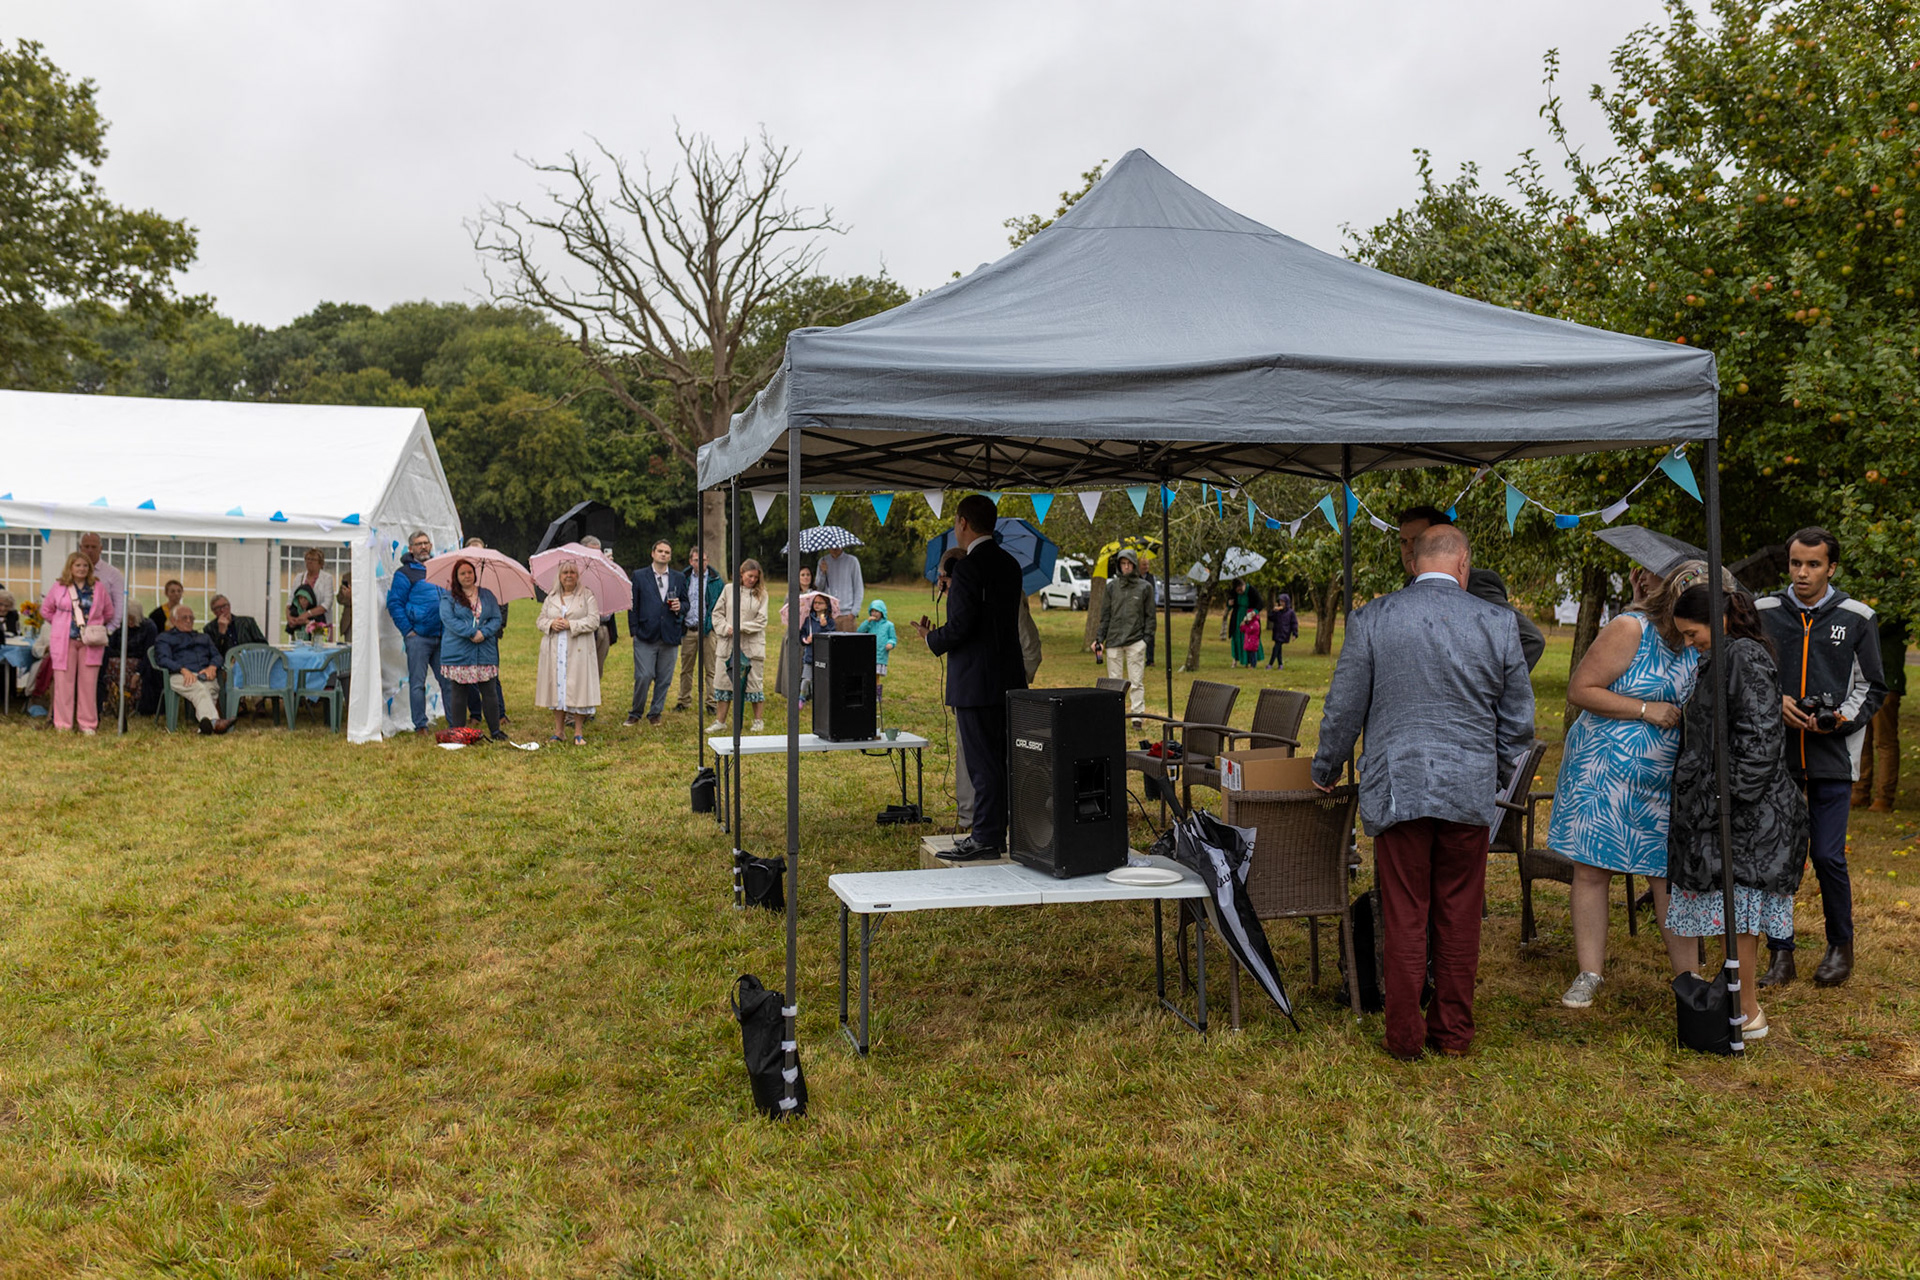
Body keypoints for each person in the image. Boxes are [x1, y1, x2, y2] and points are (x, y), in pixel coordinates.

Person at [1311, 525, 1534, 1060]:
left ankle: (1404, 1037)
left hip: (1398, 784)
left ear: (1416, 563)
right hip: (1468, 788)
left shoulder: (1372, 618)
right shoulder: (1499, 624)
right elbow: (1518, 723)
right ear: (1463, 565)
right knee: (1459, 911)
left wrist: (1326, 766)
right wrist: (1496, 771)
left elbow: (1344, 706)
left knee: (1404, 909)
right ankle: (1453, 1033)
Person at [1547, 559, 1704, 1009]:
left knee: (1667, 876)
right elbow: (1581, 689)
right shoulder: (1630, 627)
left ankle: (1689, 981)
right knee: (1593, 870)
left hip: (1665, 778)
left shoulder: (1698, 641)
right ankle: (1589, 972)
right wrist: (1644, 709)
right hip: (1605, 772)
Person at [1666, 583, 1809, 1041]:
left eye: (1692, 633)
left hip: (1750, 814)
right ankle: (1739, 1006)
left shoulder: (1743, 656)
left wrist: (1719, 804)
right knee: (1734, 913)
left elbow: (1761, 742)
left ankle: (1746, 1012)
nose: (1690, 644)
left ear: (1718, 618)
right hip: (1731, 807)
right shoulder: (1724, 657)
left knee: (1739, 915)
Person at [1753, 526, 1886, 988]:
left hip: (1832, 756)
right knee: (1778, 857)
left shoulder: (1857, 616)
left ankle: (1839, 947)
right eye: (1796, 563)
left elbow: (1874, 686)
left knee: (1828, 856)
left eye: (1813, 564)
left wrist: (1840, 718)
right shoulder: (1764, 611)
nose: (1803, 572)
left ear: (1832, 567)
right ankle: (1780, 953)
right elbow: (1750, 671)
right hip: (1776, 758)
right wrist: (1778, 701)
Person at [911, 494, 1029, 860]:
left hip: (976, 682)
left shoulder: (968, 568)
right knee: (1002, 759)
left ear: (963, 523)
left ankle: (986, 837)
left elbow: (962, 627)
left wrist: (931, 637)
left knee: (982, 764)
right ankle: (1002, 831)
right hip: (1007, 675)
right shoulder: (1010, 564)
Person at [1396, 505, 1547, 671]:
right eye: (1404, 542)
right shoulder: (1409, 585)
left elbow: (1529, 639)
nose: (1409, 549)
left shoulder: (1475, 584)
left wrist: (1485, 684)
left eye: (1418, 540)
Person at [41, 550, 118, 734]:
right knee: (63, 684)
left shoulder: (98, 587)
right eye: (78, 565)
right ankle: (63, 724)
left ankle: (88, 724)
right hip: (65, 641)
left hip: (90, 642)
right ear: (70, 567)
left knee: (88, 684)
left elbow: (109, 612)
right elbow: (46, 610)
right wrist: (61, 623)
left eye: (85, 566)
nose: (82, 569)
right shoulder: (59, 586)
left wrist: (93, 625)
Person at [385, 530, 451, 734]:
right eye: (418, 543)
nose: (423, 547)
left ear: (431, 546)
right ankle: (420, 724)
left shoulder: (439, 569)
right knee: (417, 683)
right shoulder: (404, 573)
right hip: (419, 637)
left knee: (448, 681)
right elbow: (395, 603)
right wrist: (408, 630)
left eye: (426, 543)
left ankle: (454, 721)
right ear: (411, 548)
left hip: (442, 635)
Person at [437, 558, 507, 741]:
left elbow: (496, 618)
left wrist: (483, 633)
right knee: (459, 693)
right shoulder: (448, 597)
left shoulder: (487, 595)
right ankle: (458, 733)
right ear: (456, 577)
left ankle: (496, 731)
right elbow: (449, 620)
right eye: (462, 573)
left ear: (475, 574)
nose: (467, 576)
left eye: (470, 572)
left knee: (489, 692)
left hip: (484, 651)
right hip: (458, 651)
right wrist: (471, 632)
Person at [536, 560, 602, 744]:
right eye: (565, 573)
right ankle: (559, 731)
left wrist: (570, 624)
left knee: (578, 687)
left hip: (578, 648)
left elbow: (594, 620)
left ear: (578, 575)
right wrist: (551, 624)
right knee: (557, 688)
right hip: (555, 649)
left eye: (572, 572)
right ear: (559, 576)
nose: (569, 576)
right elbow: (540, 620)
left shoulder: (587, 595)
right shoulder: (551, 597)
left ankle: (578, 732)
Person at [626, 538, 688, 727]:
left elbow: (686, 603)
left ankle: (655, 713)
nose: (663, 554)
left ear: (670, 556)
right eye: (660, 551)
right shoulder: (639, 575)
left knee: (664, 678)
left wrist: (680, 607)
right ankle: (636, 712)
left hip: (670, 634)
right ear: (653, 553)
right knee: (643, 676)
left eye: (667, 552)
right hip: (645, 634)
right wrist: (634, 630)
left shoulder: (679, 578)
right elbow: (632, 604)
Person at [708, 559, 769, 734]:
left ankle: (758, 720)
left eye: (756, 578)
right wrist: (724, 628)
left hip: (752, 645)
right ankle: (720, 721)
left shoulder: (762, 594)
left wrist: (741, 627)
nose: (752, 580)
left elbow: (762, 620)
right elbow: (717, 613)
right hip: (727, 644)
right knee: (723, 682)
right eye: (750, 576)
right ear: (741, 574)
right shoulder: (728, 590)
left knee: (754, 683)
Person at [155, 604, 235, 734]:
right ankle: (216, 722)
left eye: (191, 618)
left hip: (204, 674)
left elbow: (217, 656)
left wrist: (212, 667)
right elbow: (162, 659)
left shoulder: (203, 637)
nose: (188, 621)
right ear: (174, 620)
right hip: (180, 675)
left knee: (210, 688)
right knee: (201, 689)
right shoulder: (165, 638)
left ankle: (205, 728)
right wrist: (182, 669)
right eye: (184, 618)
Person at [1093, 547, 1153, 723]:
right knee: (1114, 683)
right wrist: (1099, 639)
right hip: (1113, 640)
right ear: (1119, 565)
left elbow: (1151, 616)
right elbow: (1105, 615)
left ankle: (1137, 716)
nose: (1126, 567)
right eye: (1123, 563)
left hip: (1136, 640)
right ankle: (1114, 715)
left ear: (1134, 565)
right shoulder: (1111, 587)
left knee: (1136, 681)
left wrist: (1145, 640)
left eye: (1129, 563)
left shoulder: (1145, 588)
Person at [1853, 616, 1906, 813]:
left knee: (1885, 741)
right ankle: (1860, 790)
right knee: (1863, 738)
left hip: (1886, 683)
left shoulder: (1892, 612)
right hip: (1863, 683)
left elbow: (1871, 624)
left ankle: (1884, 797)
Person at [773, 565, 834, 707]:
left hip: (811, 631)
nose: (806, 577)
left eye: (808, 574)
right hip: (795, 632)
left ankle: (809, 693)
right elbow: (786, 613)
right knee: (794, 662)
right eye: (802, 575)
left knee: (809, 663)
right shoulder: (791, 594)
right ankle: (793, 692)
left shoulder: (815, 595)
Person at [674, 550, 722, 717]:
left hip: (707, 630)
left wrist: (712, 625)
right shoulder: (683, 578)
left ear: (707, 560)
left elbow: (719, 605)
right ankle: (683, 700)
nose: (700, 563)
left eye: (702, 560)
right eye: (696, 560)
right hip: (689, 629)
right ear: (690, 561)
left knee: (711, 668)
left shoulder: (715, 580)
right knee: (686, 668)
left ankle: (712, 702)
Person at [580, 536, 617, 676]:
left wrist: (610, 570)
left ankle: (594, 697)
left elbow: (614, 596)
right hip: (586, 628)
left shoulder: (605, 571)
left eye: (598, 552)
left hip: (604, 627)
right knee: (583, 671)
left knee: (597, 671)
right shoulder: (576, 572)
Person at [815, 544, 866, 632]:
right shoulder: (823, 561)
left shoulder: (852, 561)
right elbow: (818, 588)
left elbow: (858, 588)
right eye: (832, 545)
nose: (834, 548)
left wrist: (853, 613)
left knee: (847, 645)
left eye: (837, 545)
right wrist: (823, 573)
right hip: (829, 614)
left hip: (847, 615)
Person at [286, 548, 334, 640]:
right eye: (307, 559)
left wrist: (307, 614)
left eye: (313, 560)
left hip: (320, 624)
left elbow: (327, 604)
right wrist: (289, 617)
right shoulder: (299, 577)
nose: (309, 562)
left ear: (320, 563)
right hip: (300, 625)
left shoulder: (326, 578)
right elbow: (290, 600)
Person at [858, 600, 898, 702]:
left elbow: (893, 638)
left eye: (877, 611)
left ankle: (877, 696)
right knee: (867, 675)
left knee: (876, 677)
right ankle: (866, 694)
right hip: (869, 654)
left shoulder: (889, 625)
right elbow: (859, 632)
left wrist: (891, 644)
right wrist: (867, 622)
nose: (874, 613)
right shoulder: (869, 624)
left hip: (880, 655)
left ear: (882, 612)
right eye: (872, 611)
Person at [1226, 577, 1265, 667]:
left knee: (1248, 637)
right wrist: (1229, 604)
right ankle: (1235, 659)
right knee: (1236, 637)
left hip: (1249, 616)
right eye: (1237, 590)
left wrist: (1254, 612)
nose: (1239, 591)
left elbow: (1260, 603)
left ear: (1243, 585)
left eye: (1240, 589)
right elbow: (1229, 605)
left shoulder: (1252, 591)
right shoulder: (1233, 593)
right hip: (1237, 617)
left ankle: (1249, 660)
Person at [1265, 593, 1300, 669]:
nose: (1281, 603)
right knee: (1278, 649)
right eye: (1280, 601)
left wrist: (1295, 633)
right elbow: (1270, 618)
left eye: (1283, 602)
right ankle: (1280, 664)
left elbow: (1294, 623)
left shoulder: (1291, 612)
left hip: (1284, 632)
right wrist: (1274, 611)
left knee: (1276, 647)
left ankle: (1270, 664)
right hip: (1277, 631)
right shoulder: (1277, 611)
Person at [336, 570, 353, 641]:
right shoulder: (347, 576)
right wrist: (346, 595)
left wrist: (352, 596)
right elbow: (339, 599)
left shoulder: (370, 576)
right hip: (348, 621)